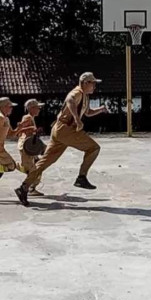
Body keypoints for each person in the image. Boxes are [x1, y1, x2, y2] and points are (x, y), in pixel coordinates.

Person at [15, 71, 107, 206]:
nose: (94, 86)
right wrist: (76, 118)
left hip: (58, 130)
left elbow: (87, 112)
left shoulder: (85, 96)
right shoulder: (77, 93)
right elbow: (69, 100)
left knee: (44, 162)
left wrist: (101, 109)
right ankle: (81, 177)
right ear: (85, 83)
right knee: (94, 148)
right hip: (66, 130)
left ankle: (23, 187)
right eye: (93, 83)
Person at [16, 99, 45, 197]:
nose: (39, 109)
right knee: (32, 170)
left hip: (31, 147)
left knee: (37, 168)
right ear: (32, 108)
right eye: (38, 107)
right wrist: (32, 129)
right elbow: (19, 131)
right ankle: (8, 166)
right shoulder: (27, 117)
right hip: (26, 148)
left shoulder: (31, 118)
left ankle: (32, 188)